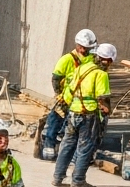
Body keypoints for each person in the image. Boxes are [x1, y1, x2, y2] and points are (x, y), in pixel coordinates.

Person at [52, 40, 114, 187]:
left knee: (67, 145)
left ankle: (57, 177)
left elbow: (70, 89)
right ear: (106, 60)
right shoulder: (101, 75)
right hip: (89, 116)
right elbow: (102, 99)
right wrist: (107, 111)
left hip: (73, 112)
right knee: (85, 148)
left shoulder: (82, 68)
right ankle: (78, 181)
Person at [42, 28, 97, 157]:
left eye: (86, 48)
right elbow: (56, 78)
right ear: (77, 45)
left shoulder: (91, 60)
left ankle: (71, 150)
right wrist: (59, 94)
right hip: (65, 97)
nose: (83, 50)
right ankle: (49, 144)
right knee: (56, 118)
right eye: (81, 47)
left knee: (75, 125)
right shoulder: (67, 59)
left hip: (80, 100)